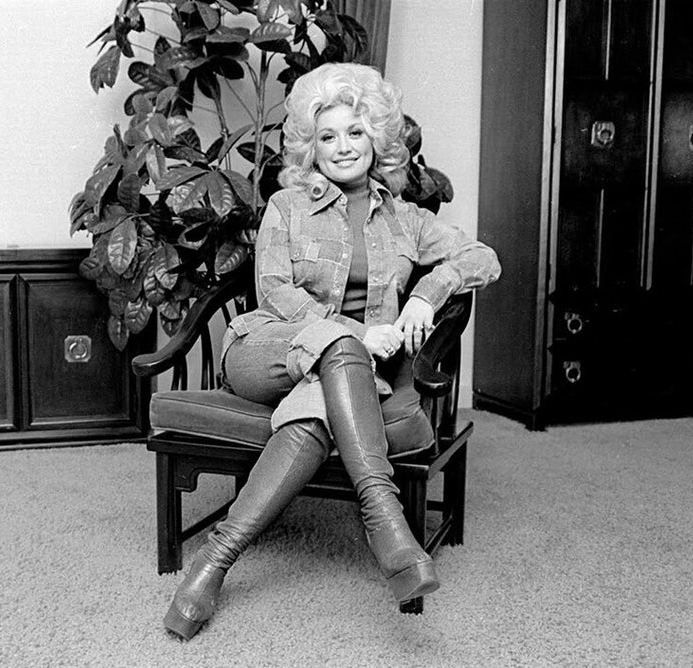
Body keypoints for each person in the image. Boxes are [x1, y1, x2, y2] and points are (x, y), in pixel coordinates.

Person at [162, 63, 502, 640]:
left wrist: (427, 293)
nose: (342, 147)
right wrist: (352, 330)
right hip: (265, 350)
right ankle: (384, 516)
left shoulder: (407, 221)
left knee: (318, 407)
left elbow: (484, 257)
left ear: (378, 138)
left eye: (356, 132)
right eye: (327, 136)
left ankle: (213, 562)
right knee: (342, 342)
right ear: (310, 146)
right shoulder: (285, 207)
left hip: (342, 376)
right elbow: (273, 291)